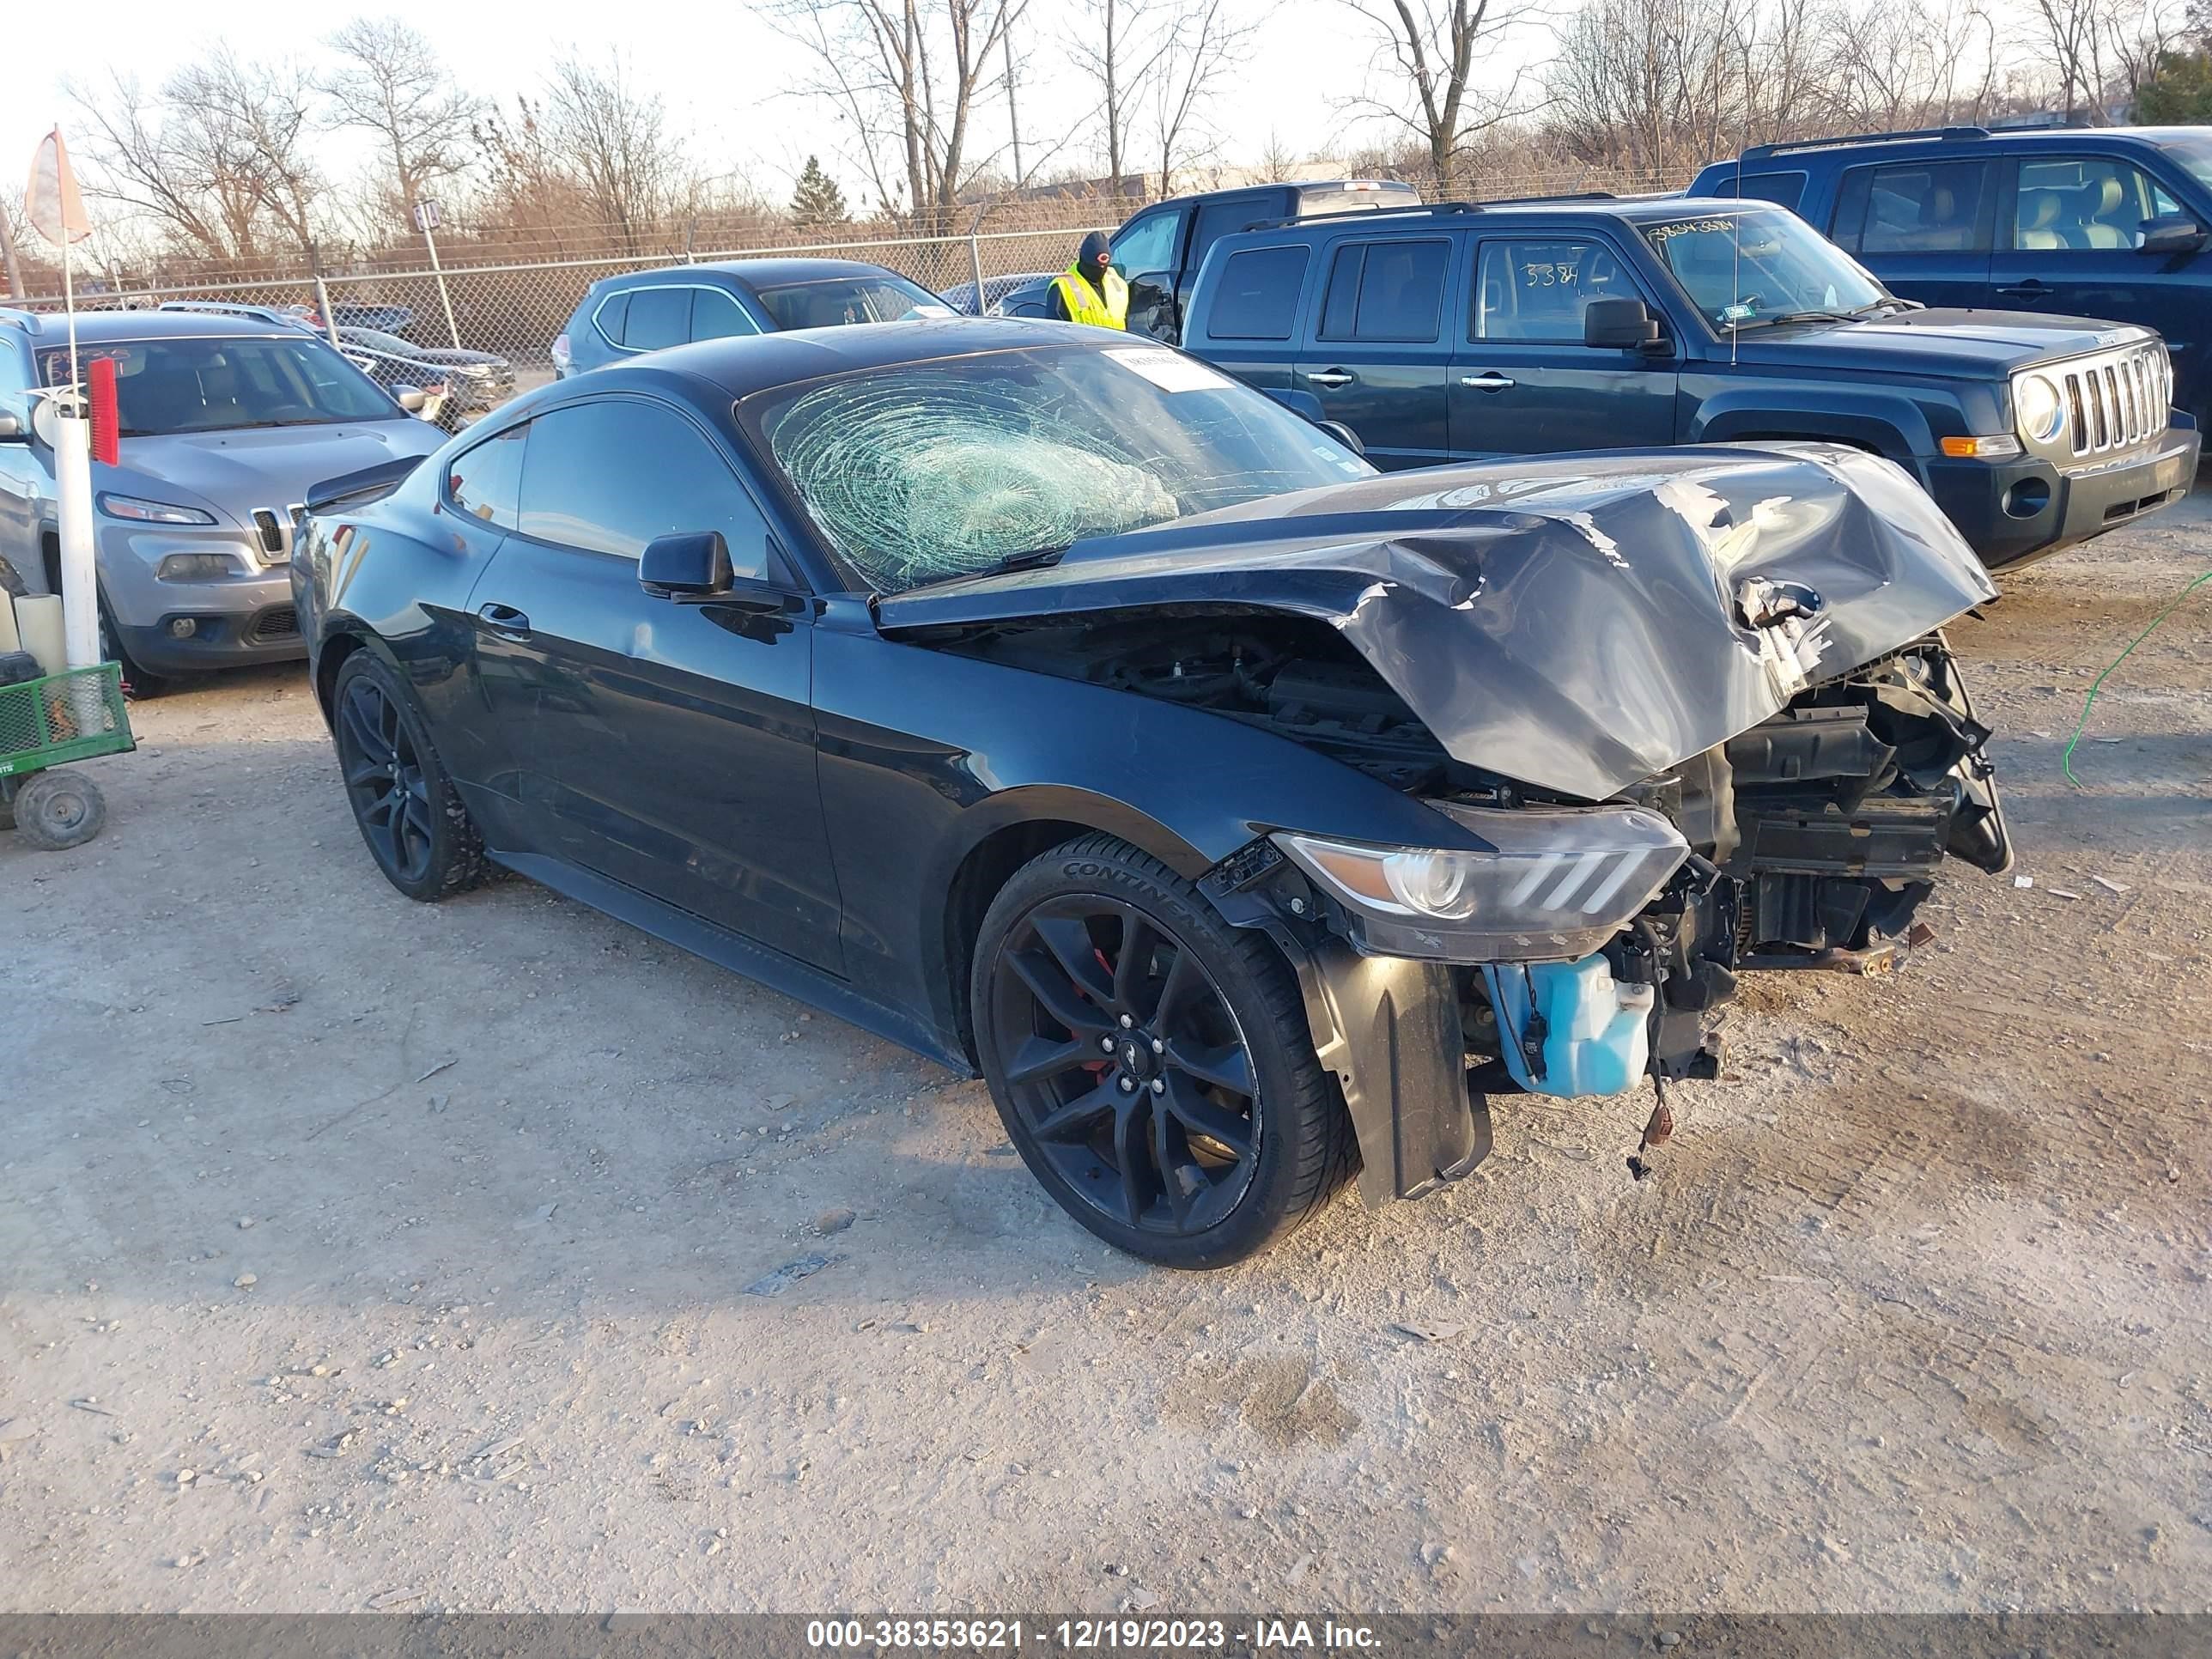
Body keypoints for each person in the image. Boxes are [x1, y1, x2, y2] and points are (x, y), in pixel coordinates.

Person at [1048, 231, 1127, 328]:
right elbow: (1056, 332)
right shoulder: (1062, 287)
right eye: (1094, 267)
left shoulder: (1117, 281)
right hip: (1084, 343)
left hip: (1119, 343)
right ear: (1083, 261)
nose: (1100, 270)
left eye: (1104, 267)